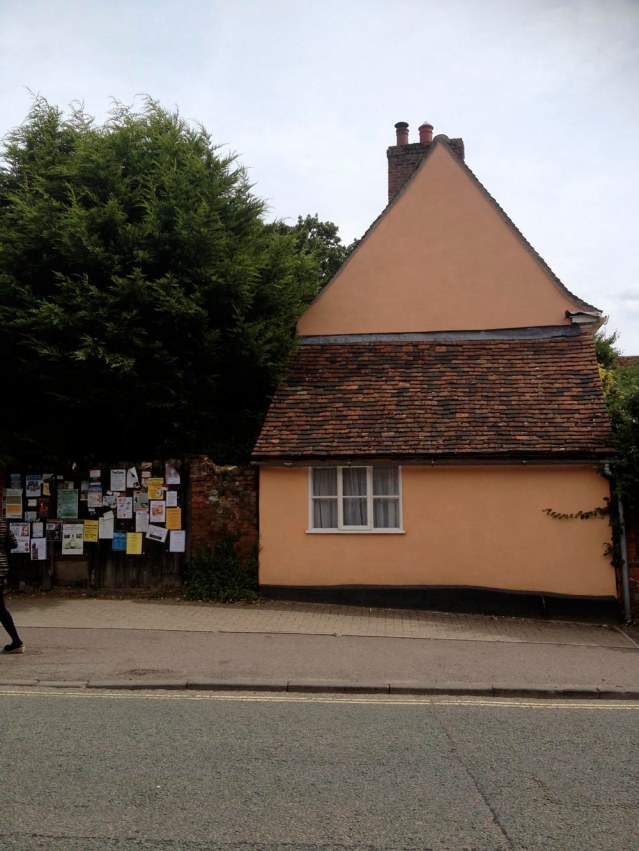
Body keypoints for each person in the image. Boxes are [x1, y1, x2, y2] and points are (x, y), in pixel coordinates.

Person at [0, 513, 24, 653]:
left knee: (0, 609)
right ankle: (16, 641)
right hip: (2, 568)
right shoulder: (2, 523)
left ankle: (17, 641)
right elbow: (14, 543)